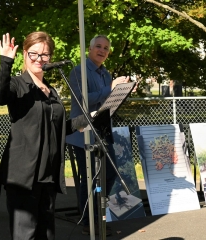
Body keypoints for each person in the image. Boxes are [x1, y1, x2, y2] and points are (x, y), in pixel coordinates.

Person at [0, 32, 67, 240]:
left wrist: (88, 120)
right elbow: (0, 96)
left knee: (47, 235)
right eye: (34, 53)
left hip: (48, 175)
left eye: (44, 54)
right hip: (23, 178)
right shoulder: (18, 85)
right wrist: (6, 62)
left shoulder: (51, 91)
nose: (39, 59)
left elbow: (57, 128)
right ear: (25, 54)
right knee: (25, 235)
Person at [66, 35, 130, 236]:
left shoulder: (106, 74)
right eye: (98, 47)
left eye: (106, 48)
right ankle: (88, 220)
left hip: (102, 132)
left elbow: (107, 102)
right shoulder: (79, 71)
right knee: (89, 178)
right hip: (82, 133)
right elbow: (84, 100)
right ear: (90, 49)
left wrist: (122, 92)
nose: (102, 51)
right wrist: (111, 89)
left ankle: (97, 214)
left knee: (109, 173)